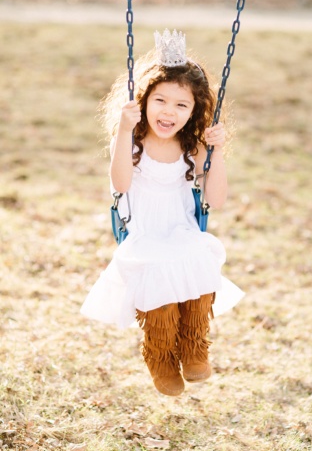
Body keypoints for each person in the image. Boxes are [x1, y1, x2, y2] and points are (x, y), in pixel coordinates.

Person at [81, 30, 244, 397]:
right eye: (160, 100)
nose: (169, 112)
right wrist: (124, 130)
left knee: (200, 275)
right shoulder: (132, 142)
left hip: (183, 232)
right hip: (143, 236)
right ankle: (160, 358)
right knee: (159, 297)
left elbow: (215, 199)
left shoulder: (195, 147)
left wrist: (217, 155)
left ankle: (193, 348)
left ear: (195, 110)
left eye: (181, 105)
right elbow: (121, 184)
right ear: (143, 101)